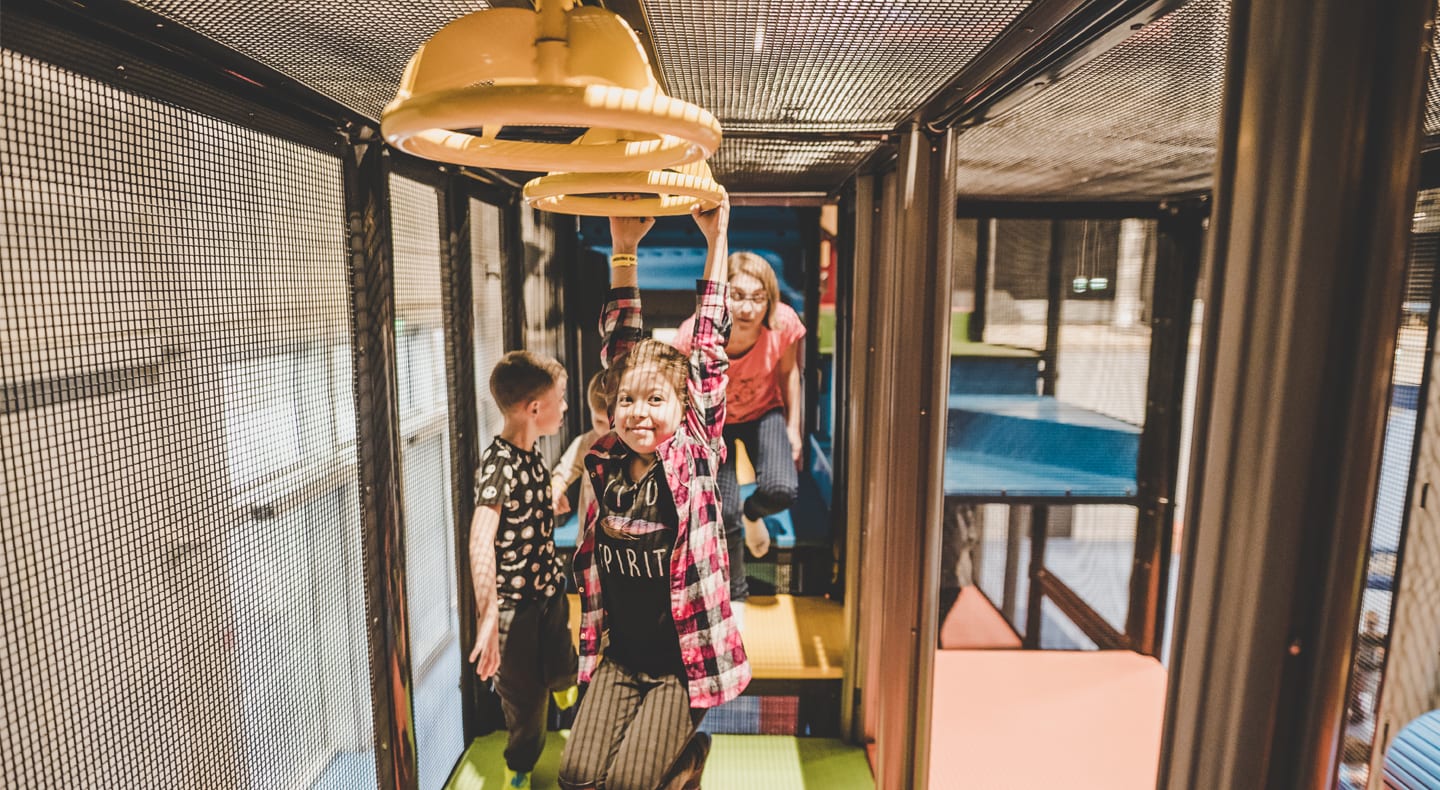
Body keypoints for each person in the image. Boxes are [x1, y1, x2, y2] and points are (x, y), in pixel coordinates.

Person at [557, 199, 749, 790]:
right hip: (620, 658)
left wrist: (716, 239)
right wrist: (623, 248)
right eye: (626, 402)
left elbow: (710, 351)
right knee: (576, 776)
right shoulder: (609, 458)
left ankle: (686, 759)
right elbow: (621, 349)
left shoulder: (691, 453)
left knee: (624, 786)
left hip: (679, 667)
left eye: (656, 400)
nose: (639, 412)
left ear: (683, 409)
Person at [670, 250, 806, 621]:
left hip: (764, 410)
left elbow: (789, 372)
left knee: (782, 488)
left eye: (757, 297)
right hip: (718, 423)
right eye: (737, 295)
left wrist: (793, 427)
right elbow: (680, 390)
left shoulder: (783, 324)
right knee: (722, 510)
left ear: (770, 299)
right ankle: (738, 594)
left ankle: (753, 515)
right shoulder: (693, 334)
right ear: (721, 297)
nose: (747, 307)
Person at [469, 350, 580, 790]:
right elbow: (482, 538)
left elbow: (524, 509)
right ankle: (519, 766)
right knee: (526, 702)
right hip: (514, 609)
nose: (565, 407)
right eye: (561, 399)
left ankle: (565, 684)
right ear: (535, 409)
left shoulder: (532, 455)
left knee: (562, 664)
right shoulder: (498, 463)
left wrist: (548, 503)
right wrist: (489, 616)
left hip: (549, 592)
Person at [551, 371, 612, 521]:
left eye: (612, 424)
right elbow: (565, 469)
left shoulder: (634, 444)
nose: (605, 431)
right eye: (599, 422)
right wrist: (556, 490)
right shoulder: (587, 443)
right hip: (589, 533)